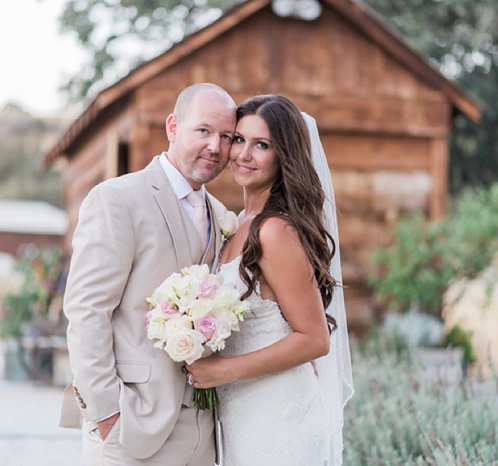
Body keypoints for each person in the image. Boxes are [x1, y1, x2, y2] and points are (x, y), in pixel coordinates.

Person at [59, 83, 237, 465]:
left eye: (227, 136)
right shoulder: (117, 199)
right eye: (203, 131)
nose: (216, 147)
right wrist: (107, 414)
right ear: (173, 127)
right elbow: (86, 310)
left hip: (204, 433)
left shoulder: (223, 217)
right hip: (132, 426)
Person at [187, 94, 354, 465]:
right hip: (243, 415)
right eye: (239, 139)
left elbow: (314, 338)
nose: (244, 154)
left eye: (261, 145)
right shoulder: (237, 224)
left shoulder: (275, 231)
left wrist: (221, 371)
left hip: (280, 419)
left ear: (284, 156)